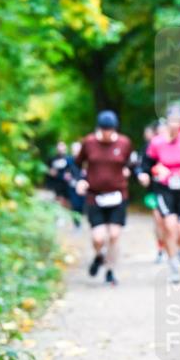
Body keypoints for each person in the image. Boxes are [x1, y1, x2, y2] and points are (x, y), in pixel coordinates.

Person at [139, 105, 180, 284]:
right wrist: (153, 170)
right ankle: (173, 265)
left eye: (178, 121)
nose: (175, 125)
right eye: (172, 121)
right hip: (165, 189)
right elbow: (146, 165)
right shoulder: (157, 142)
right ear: (167, 121)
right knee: (170, 227)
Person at [74, 110, 133, 287]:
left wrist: (131, 171)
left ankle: (110, 271)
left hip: (117, 195)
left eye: (110, 130)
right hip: (95, 197)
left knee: (114, 235)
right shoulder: (89, 142)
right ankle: (99, 256)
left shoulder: (124, 143)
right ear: (99, 128)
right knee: (98, 238)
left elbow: (132, 163)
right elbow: (76, 165)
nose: (107, 133)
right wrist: (81, 181)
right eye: (104, 129)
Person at [140, 121, 168, 262]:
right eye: (160, 132)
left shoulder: (175, 146)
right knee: (158, 220)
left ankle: (172, 246)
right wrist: (144, 175)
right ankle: (160, 248)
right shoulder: (150, 147)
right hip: (154, 190)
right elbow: (142, 167)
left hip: (173, 191)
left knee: (170, 222)